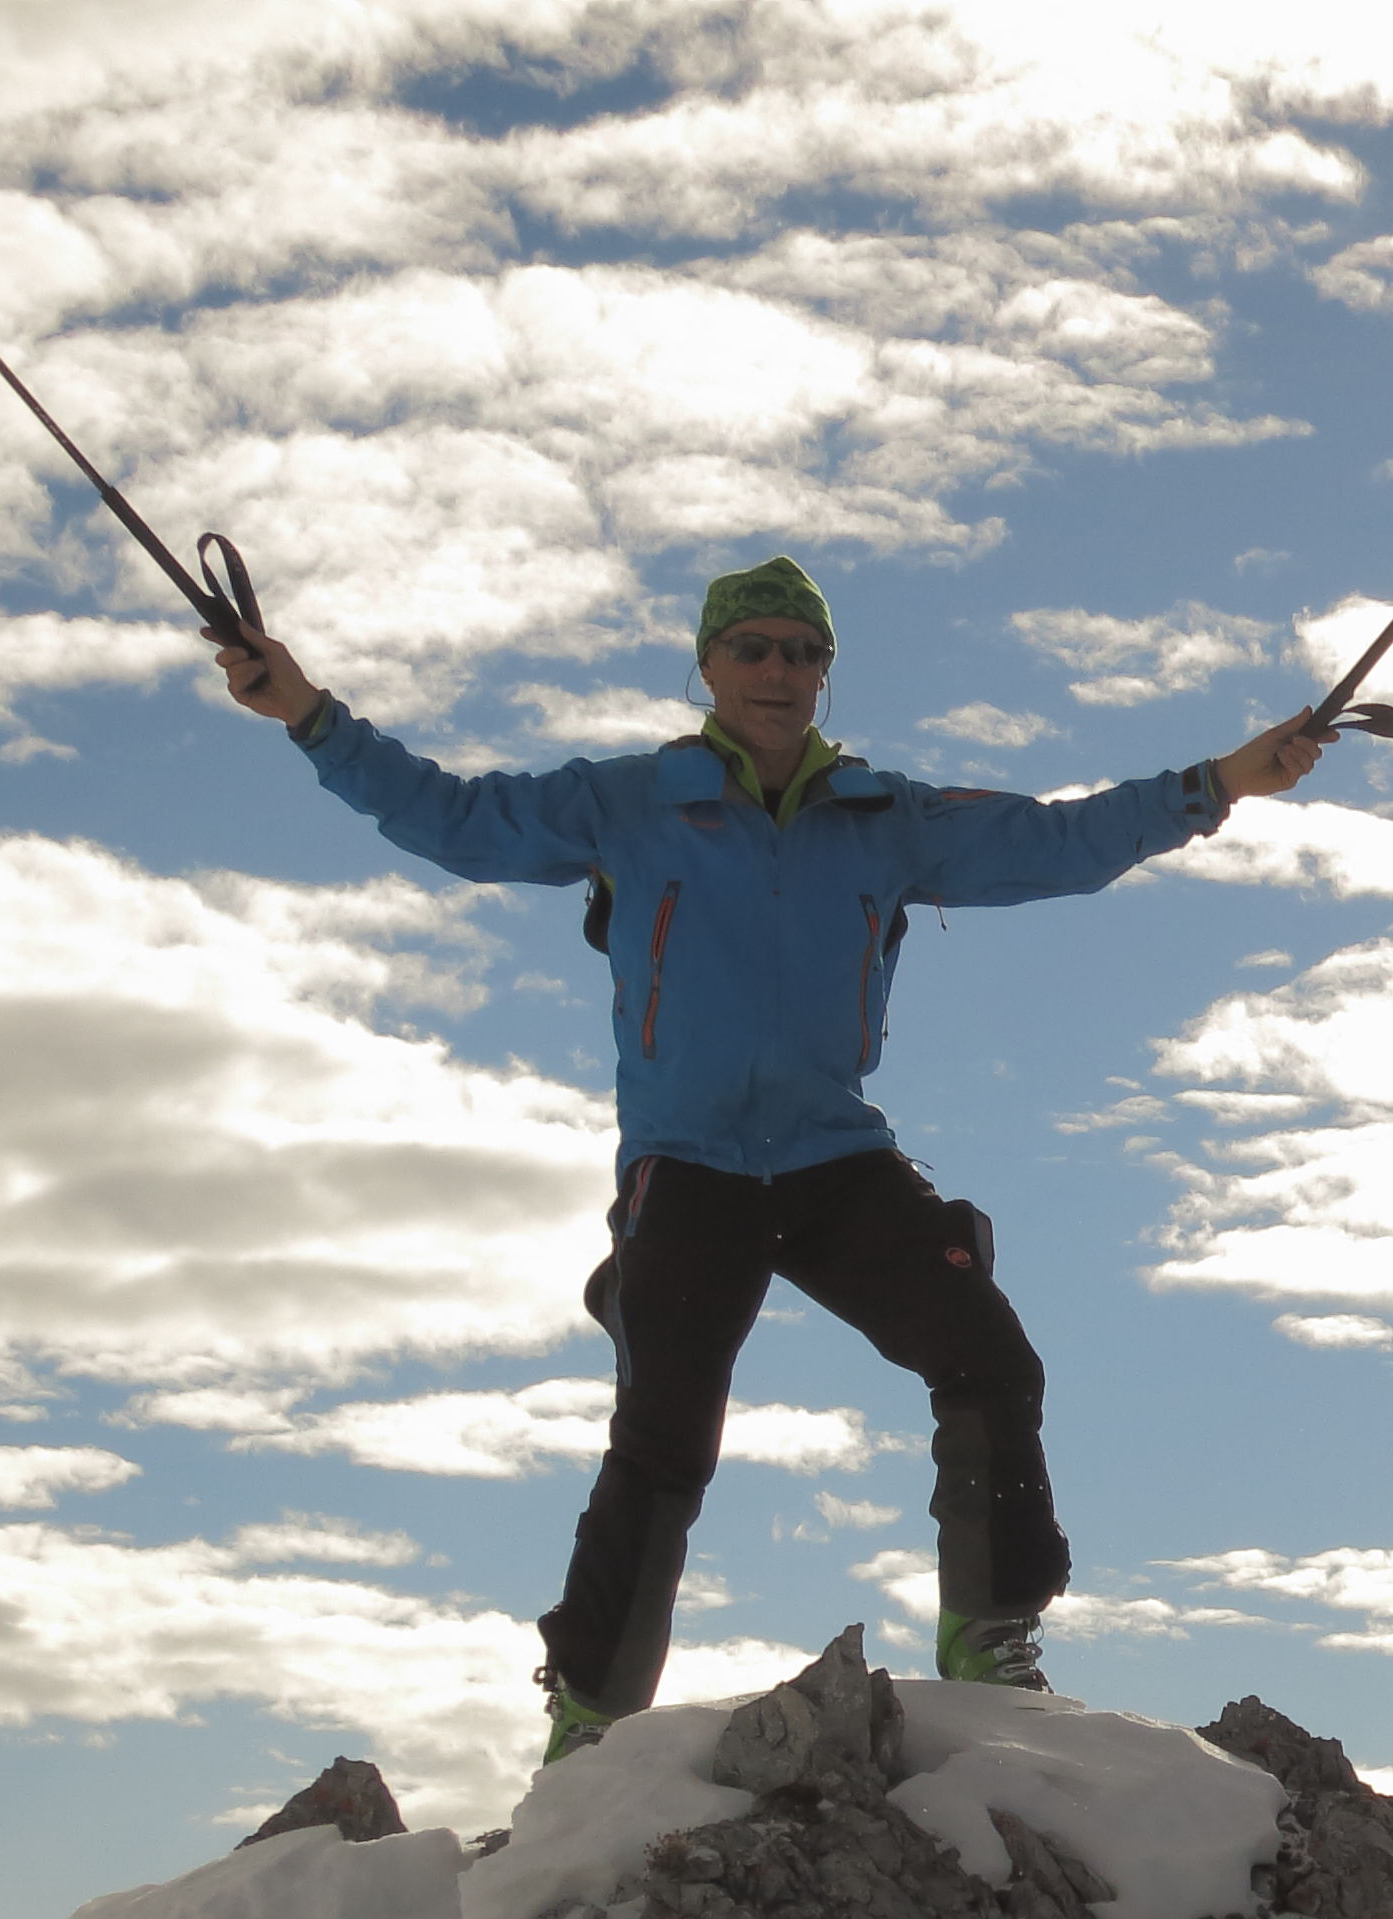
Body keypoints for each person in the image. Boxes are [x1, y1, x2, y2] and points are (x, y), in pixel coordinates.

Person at [215, 554, 1324, 1764]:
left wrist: (1222, 783)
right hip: (688, 1164)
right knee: (664, 1439)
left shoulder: (884, 817)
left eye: (803, 651)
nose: (779, 670)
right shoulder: (630, 801)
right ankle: (590, 1713)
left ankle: (990, 1633)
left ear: (824, 673)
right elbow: (455, 818)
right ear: (707, 665)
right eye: (753, 648)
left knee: (989, 1358)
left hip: (832, 1155)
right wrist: (308, 715)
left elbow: (1058, 841)